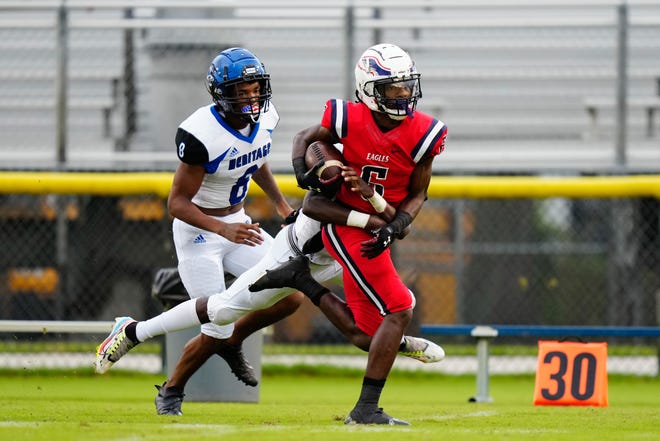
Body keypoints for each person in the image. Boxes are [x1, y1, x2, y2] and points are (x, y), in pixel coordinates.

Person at [95, 189, 445, 415]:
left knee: (373, 326)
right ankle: (134, 331)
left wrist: (390, 215)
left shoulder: (385, 165)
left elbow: (409, 207)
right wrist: (370, 216)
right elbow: (314, 197)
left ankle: (397, 341)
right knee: (219, 312)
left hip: (335, 258)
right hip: (292, 256)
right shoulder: (337, 161)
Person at [99, 47, 304, 413]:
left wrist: (280, 204)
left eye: (254, 88)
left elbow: (255, 159)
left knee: (291, 295)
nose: (251, 97)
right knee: (216, 321)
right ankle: (171, 388)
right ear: (222, 94)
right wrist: (222, 231)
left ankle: (231, 343)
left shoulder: (266, 117)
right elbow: (177, 203)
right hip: (200, 232)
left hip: (238, 223)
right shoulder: (201, 133)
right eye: (241, 91)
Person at [261, 43, 448, 426]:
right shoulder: (349, 117)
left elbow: (418, 194)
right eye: (392, 88)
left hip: (381, 221)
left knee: (370, 335)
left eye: (405, 86)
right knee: (400, 310)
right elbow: (308, 138)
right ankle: (365, 410)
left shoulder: (425, 133)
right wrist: (308, 169)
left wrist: (393, 226)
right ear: (368, 89)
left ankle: (303, 281)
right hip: (348, 225)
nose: (402, 95)